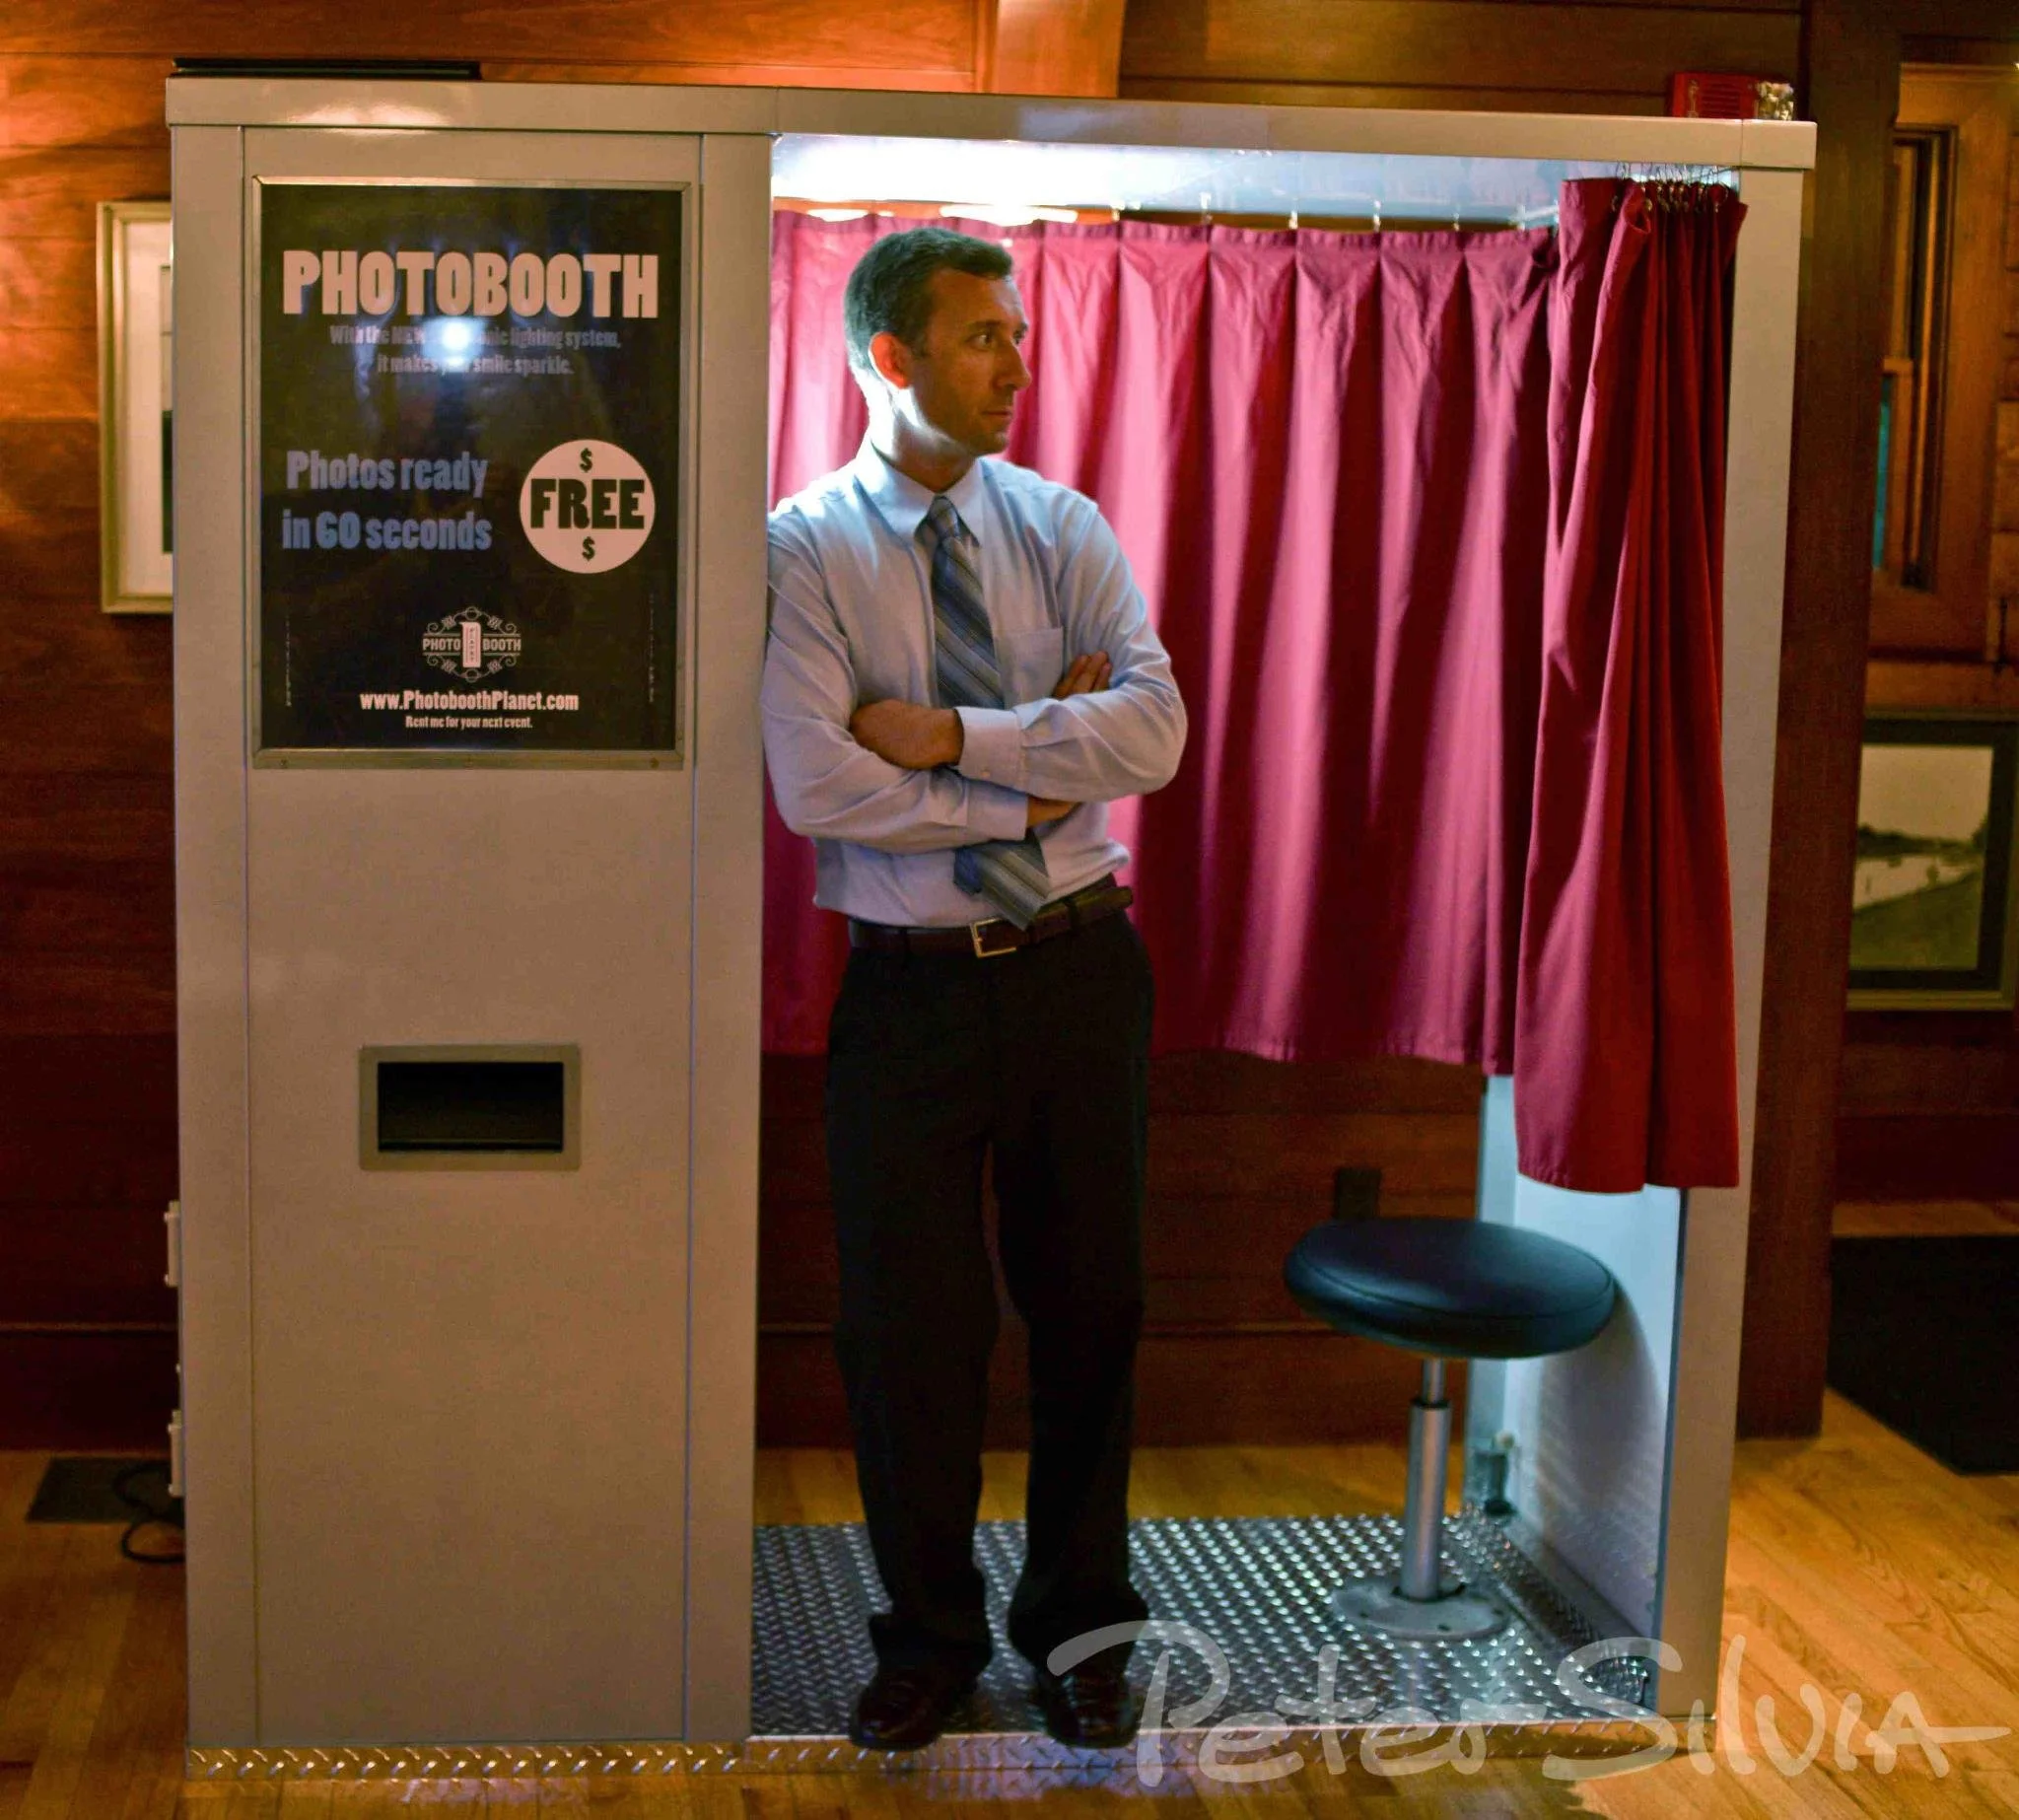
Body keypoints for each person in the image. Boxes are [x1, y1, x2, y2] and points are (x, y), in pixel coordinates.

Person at [761, 226, 1187, 1753]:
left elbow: (1153, 735)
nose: (1017, 360)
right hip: (909, 1000)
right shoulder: (801, 547)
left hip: (1081, 977)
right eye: (981, 336)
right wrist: (1039, 771)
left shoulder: (1063, 526)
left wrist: (951, 740)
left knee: (1094, 1311)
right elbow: (819, 784)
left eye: (1017, 331)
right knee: (905, 1334)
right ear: (890, 358)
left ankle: (1081, 1632)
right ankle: (926, 1636)